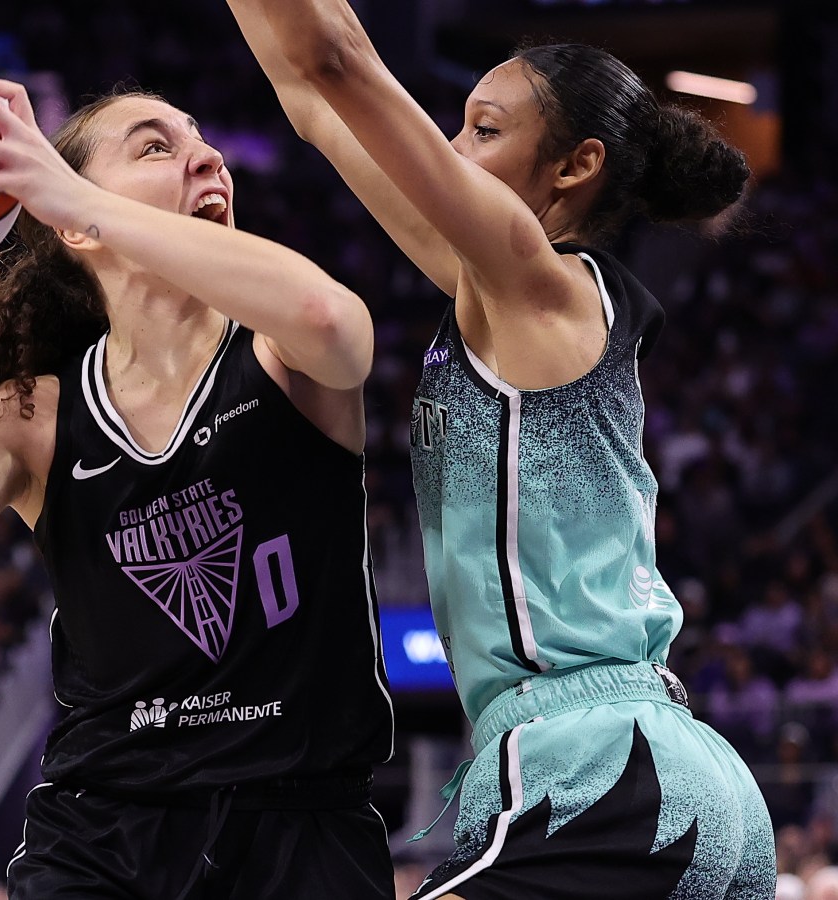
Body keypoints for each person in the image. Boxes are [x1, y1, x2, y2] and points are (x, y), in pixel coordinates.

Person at [0, 74, 395, 899]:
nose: (207, 156)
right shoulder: (34, 415)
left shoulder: (278, 354)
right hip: (104, 836)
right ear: (75, 224)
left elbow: (331, 323)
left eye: (200, 137)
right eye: (156, 146)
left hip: (303, 826)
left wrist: (74, 196)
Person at [226, 1, 776, 897]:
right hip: (634, 772)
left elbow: (340, 63)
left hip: (601, 771)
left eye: (482, 129)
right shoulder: (496, 293)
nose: (451, 147)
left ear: (576, 166)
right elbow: (311, 96)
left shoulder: (540, 285)